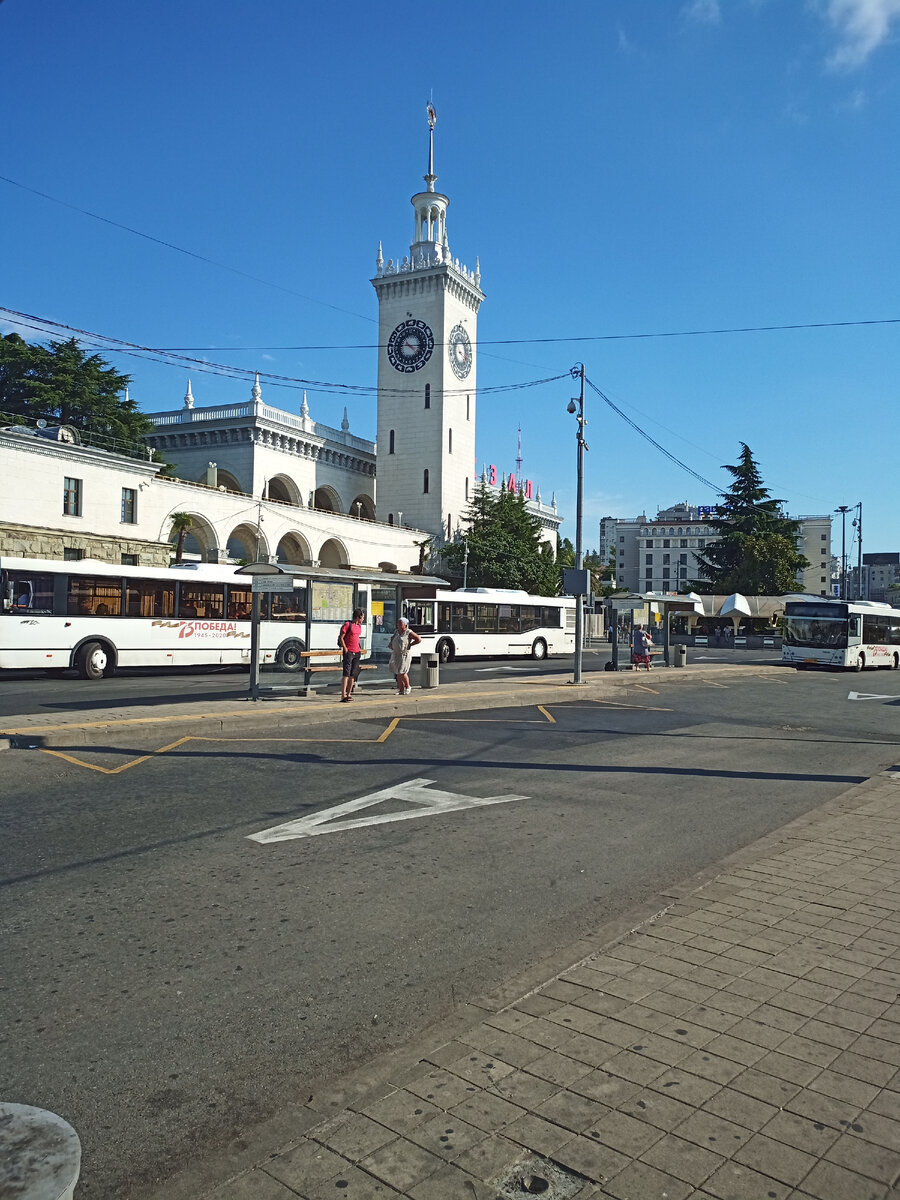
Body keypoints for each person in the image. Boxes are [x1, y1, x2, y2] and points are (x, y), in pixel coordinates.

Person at [388, 617, 421, 696]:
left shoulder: (408, 632)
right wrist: (391, 644)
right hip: (396, 654)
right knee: (398, 672)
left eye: (401, 623)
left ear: (405, 625)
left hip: (404, 654)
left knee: (402, 671)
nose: (398, 625)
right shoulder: (396, 632)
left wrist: (410, 644)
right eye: (398, 623)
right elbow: (393, 640)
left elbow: (418, 639)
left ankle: (408, 686)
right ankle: (401, 690)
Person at [339, 608, 365, 701]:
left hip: (357, 651)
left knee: (353, 674)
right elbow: (341, 637)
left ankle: (349, 694)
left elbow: (356, 638)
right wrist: (345, 648)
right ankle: (343, 695)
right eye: (362, 618)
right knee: (346, 673)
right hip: (349, 651)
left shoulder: (359, 626)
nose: (363, 620)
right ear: (358, 617)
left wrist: (359, 647)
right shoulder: (347, 625)